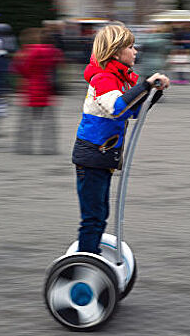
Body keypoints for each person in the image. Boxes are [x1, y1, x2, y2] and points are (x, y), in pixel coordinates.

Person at [72, 24, 169, 254]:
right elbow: (116, 108)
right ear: (116, 52)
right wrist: (145, 85)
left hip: (103, 157)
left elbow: (133, 112)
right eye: (131, 47)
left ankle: (91, 257)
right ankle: (84, 265)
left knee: (99, 214)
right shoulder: (103, 79)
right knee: (93, 217)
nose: (136, 51)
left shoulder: (118, 79)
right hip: (92, 156)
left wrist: (154, 92)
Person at [12, 28, 63, 155]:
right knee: (48, 121)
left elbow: (24, 70)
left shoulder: (30, 52)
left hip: (31, 89)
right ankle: (49, 147)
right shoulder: (54, 52)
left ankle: (24, 146)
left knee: (27, 120)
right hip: (46, 89)